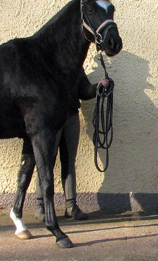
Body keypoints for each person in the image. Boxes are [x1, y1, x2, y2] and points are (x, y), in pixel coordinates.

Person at [35, 70, 109, 221]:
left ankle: (71, 205)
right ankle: (40, 205)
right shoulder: (47, 62)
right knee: (46, 161)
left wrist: (99, 86)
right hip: (51, 117)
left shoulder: (75, 66)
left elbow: (84, 91)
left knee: (69, 162)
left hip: (71, 117)